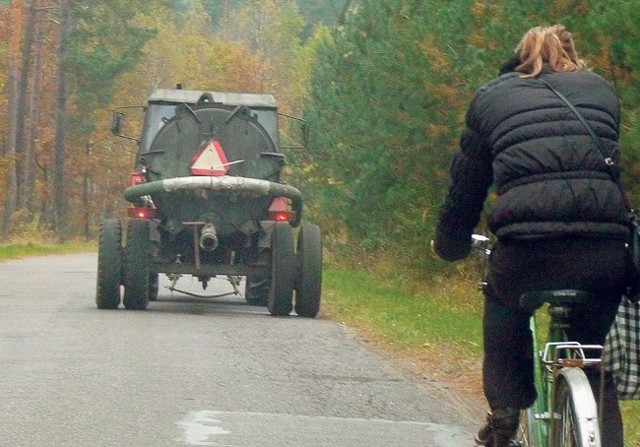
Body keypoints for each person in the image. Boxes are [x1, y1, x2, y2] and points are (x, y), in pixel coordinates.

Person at [432, 24, 629, 446]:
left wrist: (449, 244)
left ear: (518, 59)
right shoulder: (601, 92)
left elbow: (466, 187)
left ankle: (504, 415)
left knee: (504, 306)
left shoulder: (492, 98)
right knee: (590, 356)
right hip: (605, 250)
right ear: (573, 57)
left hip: (527, 251)